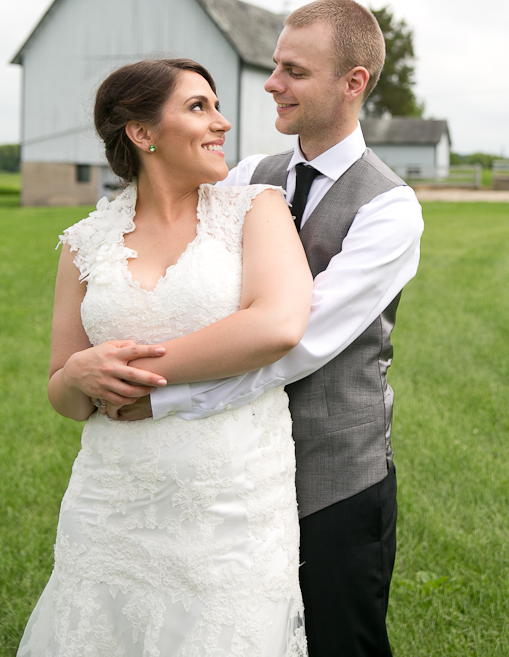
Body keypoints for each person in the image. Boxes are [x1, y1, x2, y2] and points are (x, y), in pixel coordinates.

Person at [102, 0, 425, 657]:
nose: (272, 82)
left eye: (294, 71)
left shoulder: (390, 208)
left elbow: (296, 342)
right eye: (276, 65)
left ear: (353, 82)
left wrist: (162, 397)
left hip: (332, 475)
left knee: (340, 641)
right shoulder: (250, 176)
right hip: (235, 469)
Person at [17, 57, 313, 657]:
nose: (222, 123)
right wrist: (77, 374)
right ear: (142, 133)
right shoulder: (83, 242)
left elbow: (277, 324)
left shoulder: (254, 210)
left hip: (229, 505)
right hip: (110, 505)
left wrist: (135, 374)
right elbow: (65, 395)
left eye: (216, 106)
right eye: (198, 107)